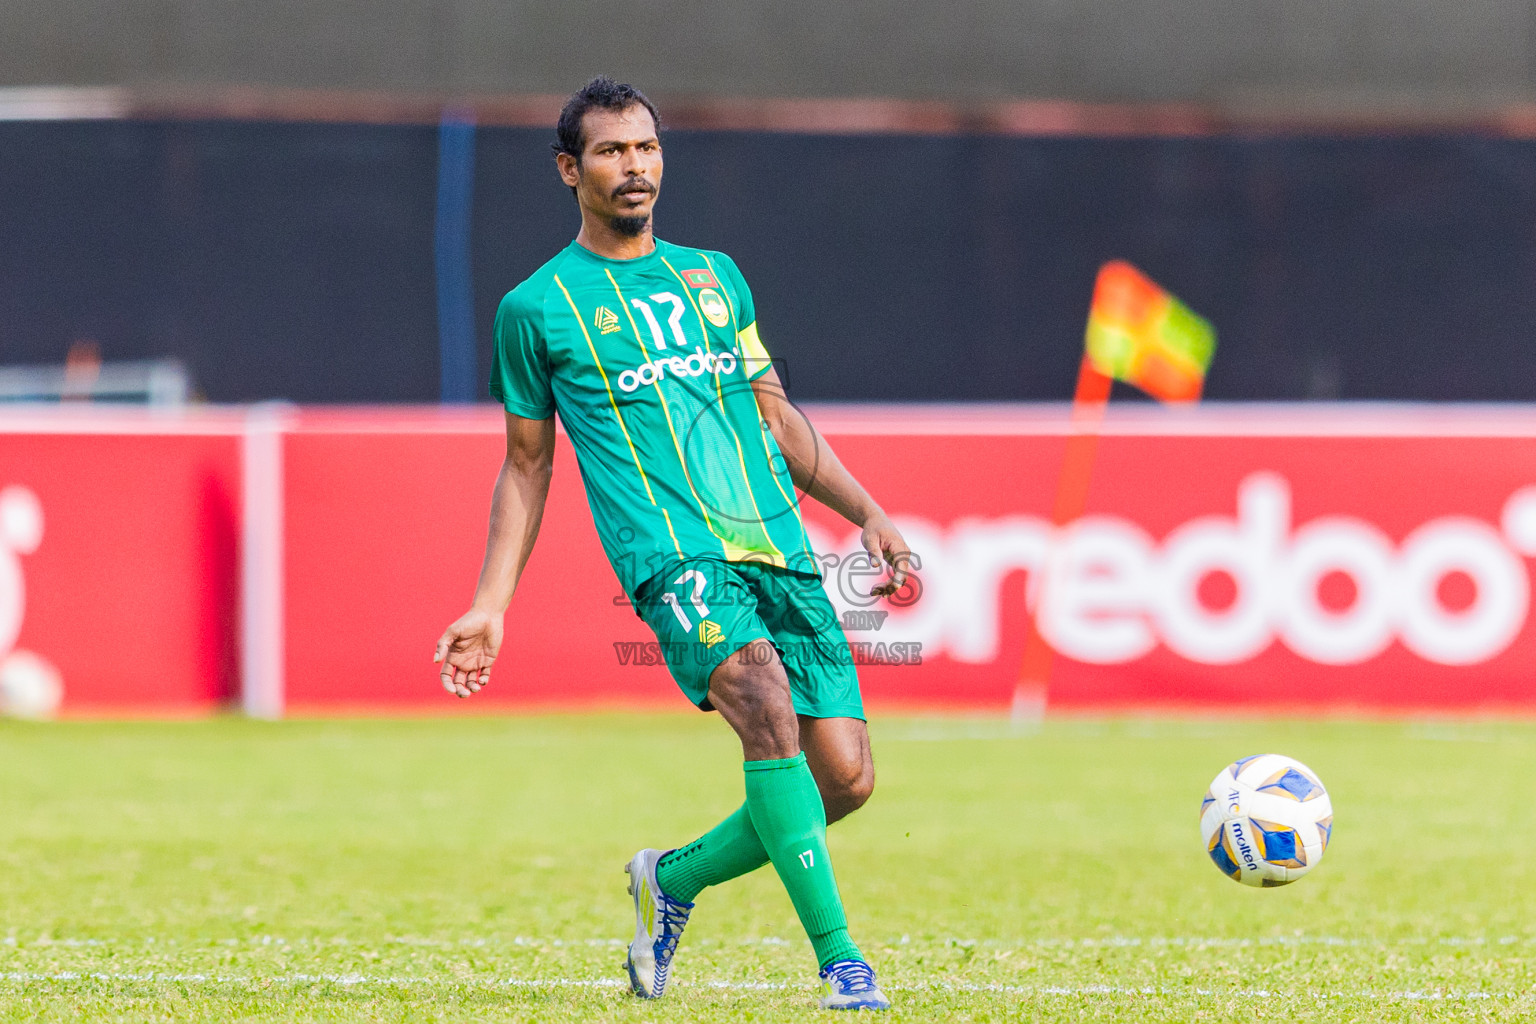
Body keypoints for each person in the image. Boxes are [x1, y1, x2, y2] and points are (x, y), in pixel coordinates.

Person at [433, 76, 912, 1012]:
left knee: (843, 780)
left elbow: (776, 418)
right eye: (611, 152)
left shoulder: (715, 275)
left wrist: (867, 510)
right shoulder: (538, 308)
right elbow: (526, 467)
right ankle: (842, 961)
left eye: (646, 148)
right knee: (765, 703)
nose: (635, 167)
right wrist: (491, 602)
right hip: (673, 557)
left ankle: (673, 879)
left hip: (773, 543)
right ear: (571, 171)